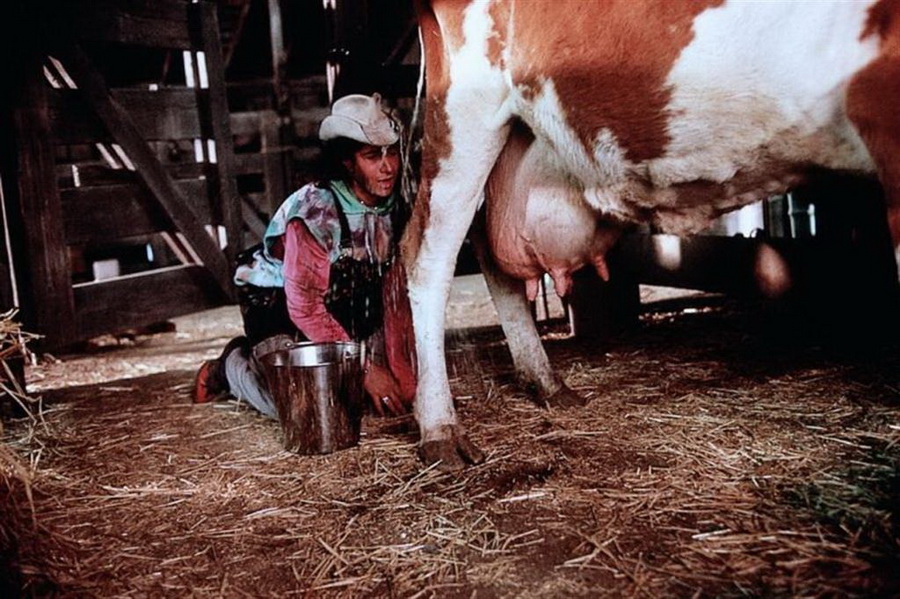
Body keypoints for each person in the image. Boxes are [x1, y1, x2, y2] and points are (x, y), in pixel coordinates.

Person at [193, 93, 416, 419]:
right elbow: (305, 306)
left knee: (385, 396)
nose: (388, 168)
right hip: (280, 307)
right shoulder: (316, 213)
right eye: (372, 156)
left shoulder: (397, 209)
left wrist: (405, 381)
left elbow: (395, 296)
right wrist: (366, 370)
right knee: (309, 409)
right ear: (347, 161)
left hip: (342, 307)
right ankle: (230, 366)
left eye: (392, 153)